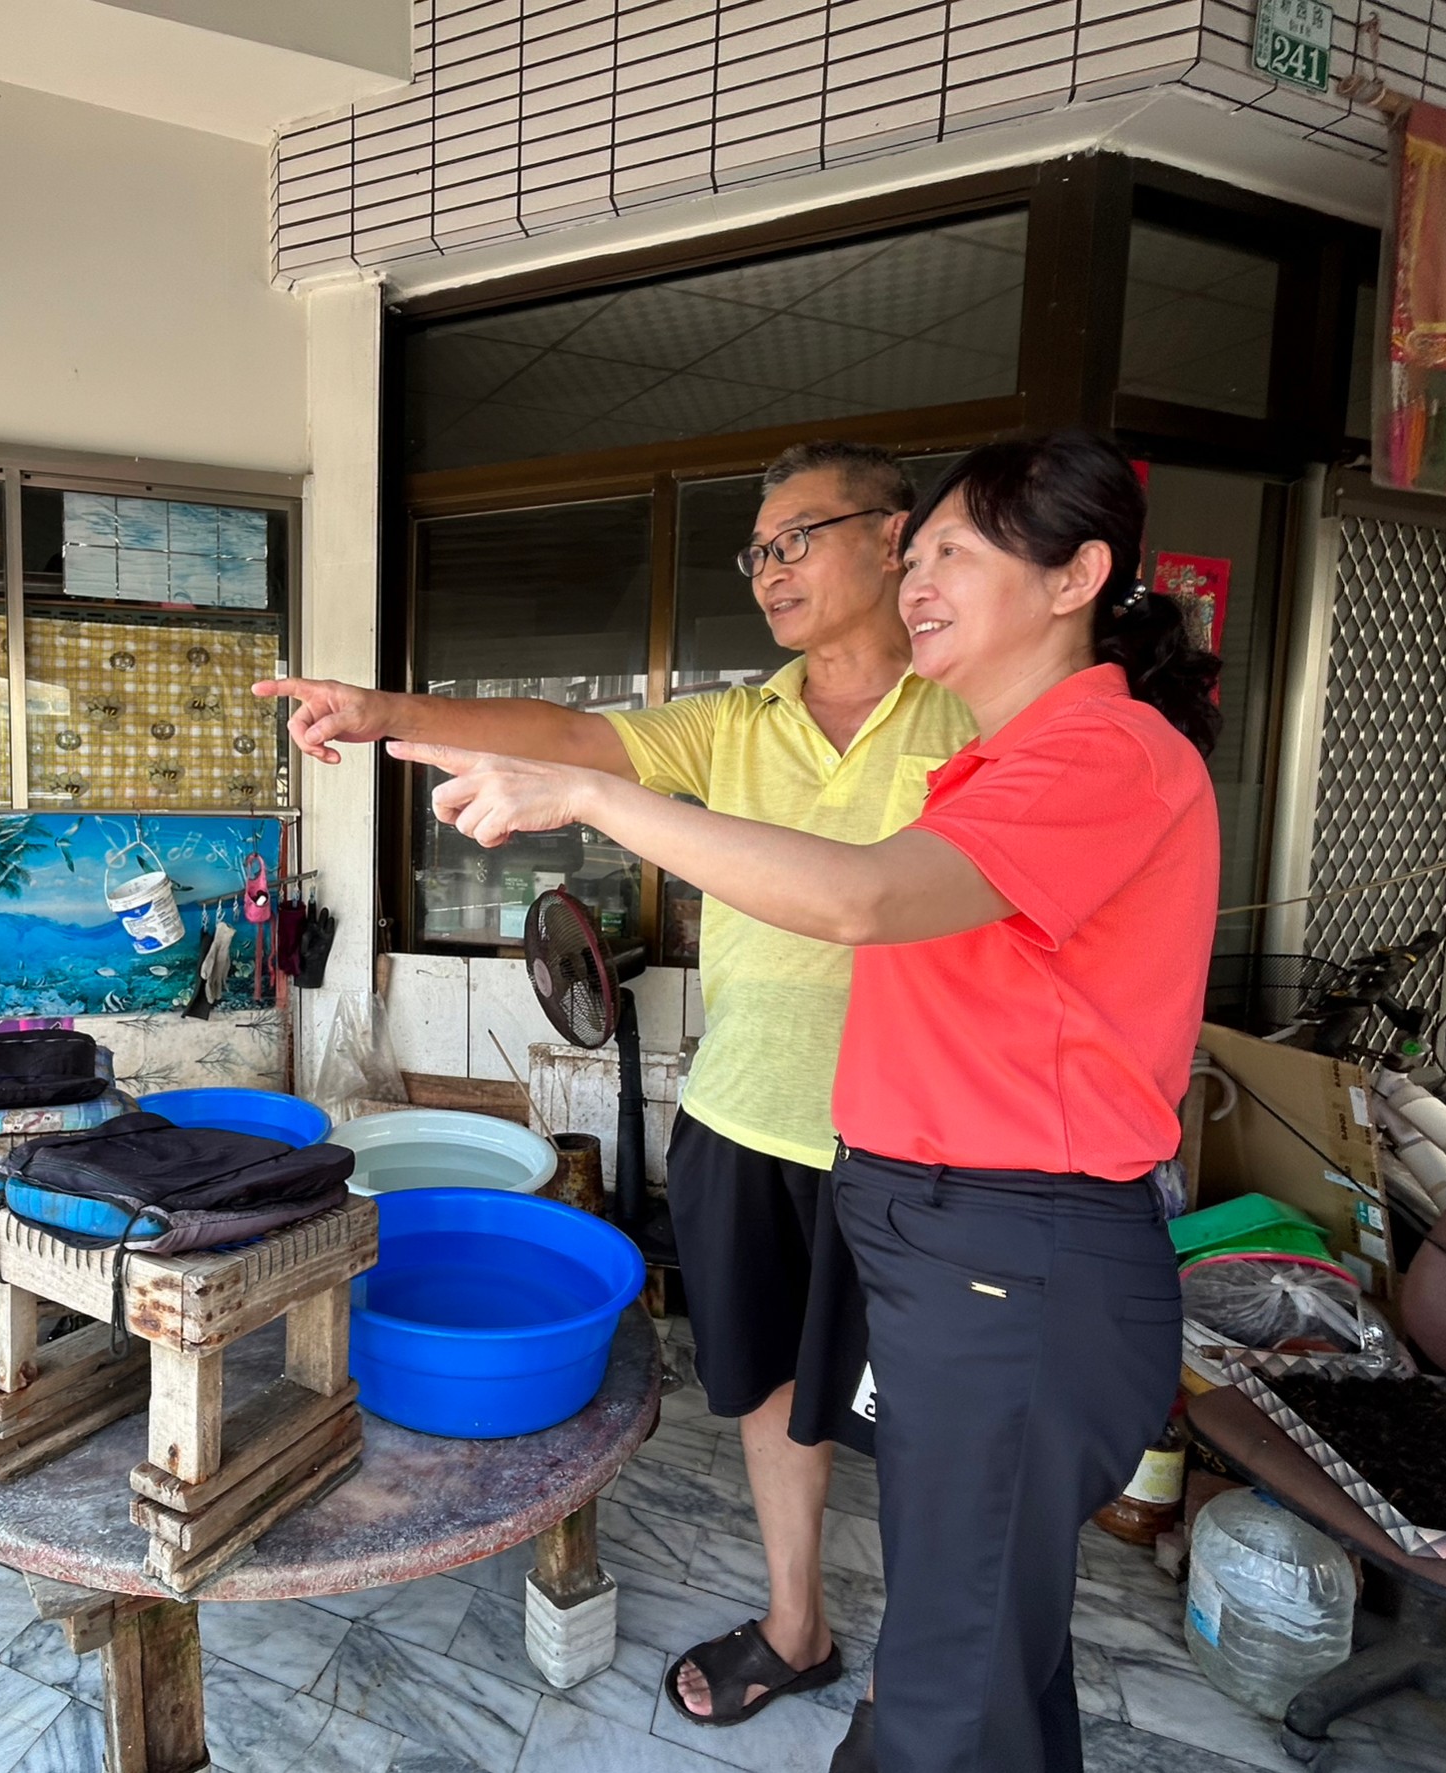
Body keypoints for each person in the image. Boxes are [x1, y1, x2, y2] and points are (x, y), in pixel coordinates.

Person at [392, 430, 1219, 1773]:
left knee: (959, 1670)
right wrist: (404, 719)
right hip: (945, 1229)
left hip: (1016, 1247)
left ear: (1078, 577)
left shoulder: (1100, 754)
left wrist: (597, 798)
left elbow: (861, 897)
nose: (922, 581)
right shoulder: (1008, 757)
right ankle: (846, 1661)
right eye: (926, 551)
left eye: (954, 551)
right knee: (975, 1643)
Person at [255, 442, 976, 1726]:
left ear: (896, 539)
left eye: (799, 537)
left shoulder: (978, 709)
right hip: (748, 1113)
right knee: (764, 1387)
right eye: (757, 551)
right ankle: (798, 1624)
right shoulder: (733, 722)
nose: (770, 571)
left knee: (934, 1421)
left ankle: (933, 1677)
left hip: (928, 1140)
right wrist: (382, 713)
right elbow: (573, 738)